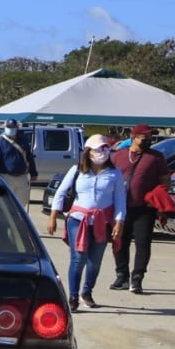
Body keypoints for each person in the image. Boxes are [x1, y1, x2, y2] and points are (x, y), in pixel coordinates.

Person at [47, 133, 126, 311]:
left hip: (102, 222)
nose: (103, 152)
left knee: (95, 261)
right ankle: (73, 295)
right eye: (99, 149)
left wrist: (119, 222)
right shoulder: (77, 170)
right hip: (78, 220)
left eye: (106, 148)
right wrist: (53, 216)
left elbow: (120, 200)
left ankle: (87, 291)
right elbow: (60, 193)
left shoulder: (115, 173)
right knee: (78, 259)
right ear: (89, 151)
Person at [109, 124, 169, 295]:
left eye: (150, 138)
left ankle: (137, 278)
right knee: (119, 241)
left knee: (143, 243)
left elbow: (165, 181)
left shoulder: (156, 157)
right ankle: (121, 276)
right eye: (145, 138)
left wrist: (156, 197)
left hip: (144, 209)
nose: (148, 141)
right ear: (134, 137)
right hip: (120, 208)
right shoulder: (118, 156)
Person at [0, 120, 37, 208]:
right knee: (6, 204)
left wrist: (33, 173)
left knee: (21, 205)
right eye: (9, 127)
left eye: (13, 128)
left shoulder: (23, 141)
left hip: (22, 177)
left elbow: (29, 157)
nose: (10, 129)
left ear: (17, 128)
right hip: (6, 176)